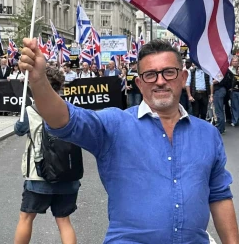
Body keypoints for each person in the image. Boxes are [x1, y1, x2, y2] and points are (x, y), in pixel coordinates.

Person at [18, 38, 238, 243]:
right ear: (140, 84)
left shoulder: (208, 134)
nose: (160, 81)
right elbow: (64, 120)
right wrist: (39, 82)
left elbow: (219, 196)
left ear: (182, 78)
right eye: (150, 75)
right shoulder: (115, 124)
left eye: (169, 72)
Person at [14, 66, 81, 244]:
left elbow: (19, 130)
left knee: (26, 217)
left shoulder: (31, 111)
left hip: (38, 174)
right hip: (67, 173)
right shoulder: (71, 109)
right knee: (64, 220)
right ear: (60, 86)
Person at [230, 56, 239, 127]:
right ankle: (234, 121)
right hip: (234, 91)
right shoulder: (229, 70)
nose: (235, 63)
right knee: (234, 106)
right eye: (234, 61)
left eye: (236, 61)